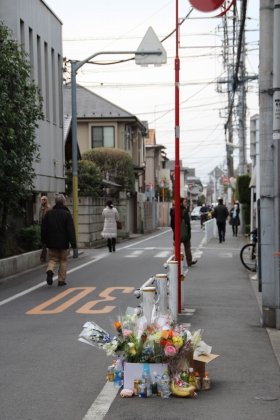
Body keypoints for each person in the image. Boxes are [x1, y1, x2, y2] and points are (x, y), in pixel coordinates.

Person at [41, 194, 77, 286]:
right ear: (64, 202)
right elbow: (70, 230)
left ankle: (50, 270)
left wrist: (43, 241)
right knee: (63, 260)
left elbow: (44, 228)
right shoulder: (67, 214)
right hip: (63, 242)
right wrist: (73, 244)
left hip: (51, 242)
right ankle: (61, 280)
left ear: (55, 202)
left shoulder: (49, 213)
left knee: (52, 259)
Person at [180, 197, 197, 267]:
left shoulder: (175, 210)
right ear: (181, 203)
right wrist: (189, 232)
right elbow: (188, 222)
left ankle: (176, 262)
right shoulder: (184, 211)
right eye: (185, 202)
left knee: (177, 248)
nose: (186, 203)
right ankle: (189, 262)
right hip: (185, 232)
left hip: (178, 232)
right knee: (187, 247)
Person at [39, 195, 50, 263]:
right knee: (43, 242)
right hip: (43, 227)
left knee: (45, 242)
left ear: (46, 200)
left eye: (43, 200)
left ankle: (43, 257)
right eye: (41, 200)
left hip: (47, 228)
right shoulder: (41, 208)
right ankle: (43, 257)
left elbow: (47, 218)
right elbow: (40, 218)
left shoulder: (48, 208)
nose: (42, 201)